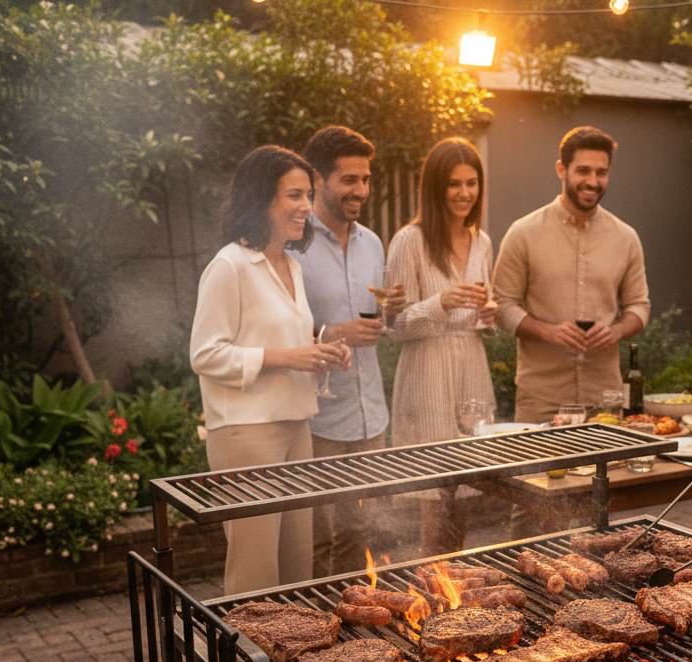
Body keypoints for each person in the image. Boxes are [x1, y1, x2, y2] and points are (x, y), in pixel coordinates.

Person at [191, 145, 351, 595]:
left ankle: (292, 644)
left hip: (297, 425)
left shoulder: (291, 266)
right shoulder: (230, 265)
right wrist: (287, 357)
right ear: (261, 199)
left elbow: (287, 342)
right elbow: (205, 355)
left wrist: (323, 351)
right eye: (294, 196)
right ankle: (243, 647)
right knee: (255, 573)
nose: (306, 207)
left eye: (308, 195)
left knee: (297, 566)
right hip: (246, 434)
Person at [297, 126, 405, 577]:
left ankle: (352, 615)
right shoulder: (293, 246)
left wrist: (392, 311)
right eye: (348, 180)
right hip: (317, 419)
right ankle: (311, 616)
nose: (360, 190)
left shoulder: (373, 243)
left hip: (369, 415)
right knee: (316, 539)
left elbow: (381, 325)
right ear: (317, 179)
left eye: (365, 179)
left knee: (360, 533)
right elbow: (277, 330)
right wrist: (333, 332)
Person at [385, 138, 498, 556]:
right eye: (454, 184)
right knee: (436, 499)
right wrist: (441, 302)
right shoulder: (409, 241)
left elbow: (482, 310)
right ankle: (430, 589)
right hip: (427, 375)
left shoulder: (482, 241)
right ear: (435, 187)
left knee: (465, 494)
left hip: (472, 370)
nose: (464, 193)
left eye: (471, 183)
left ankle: (457, 589)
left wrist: (487, 317)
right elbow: (395, 326)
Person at [492, 126, 650, 424]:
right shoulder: (523, 233)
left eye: (601, 172)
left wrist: (616, 331)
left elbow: (639, 306)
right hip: (541, 400)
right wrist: (548, 332)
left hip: (605, 401)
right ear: (561, 169)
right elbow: (501, 306)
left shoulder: (626, 238)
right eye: (583, 171)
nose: (593, 182)